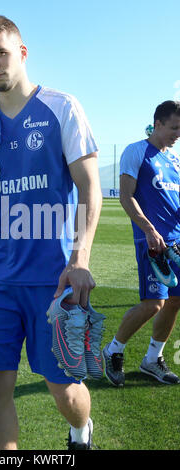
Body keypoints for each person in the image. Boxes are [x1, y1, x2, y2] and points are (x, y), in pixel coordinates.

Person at [0, 15, 102, 450]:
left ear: (22, 52)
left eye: (1, 53)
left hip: (51, 281)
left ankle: (80, 430)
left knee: (65, 391)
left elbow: (91, 189)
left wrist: (79, 259)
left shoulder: (61, 107)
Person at [103, 100, 180, 387]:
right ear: (158, 123)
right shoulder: (136, 151)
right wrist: (148, 229)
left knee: (175, 301)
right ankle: (113, 350)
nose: (178, 134)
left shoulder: (173, 160)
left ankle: (152, 359)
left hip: (177, 241)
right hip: (151, 242)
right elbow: (127, 196)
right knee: (154, 304)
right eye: (174, 127)